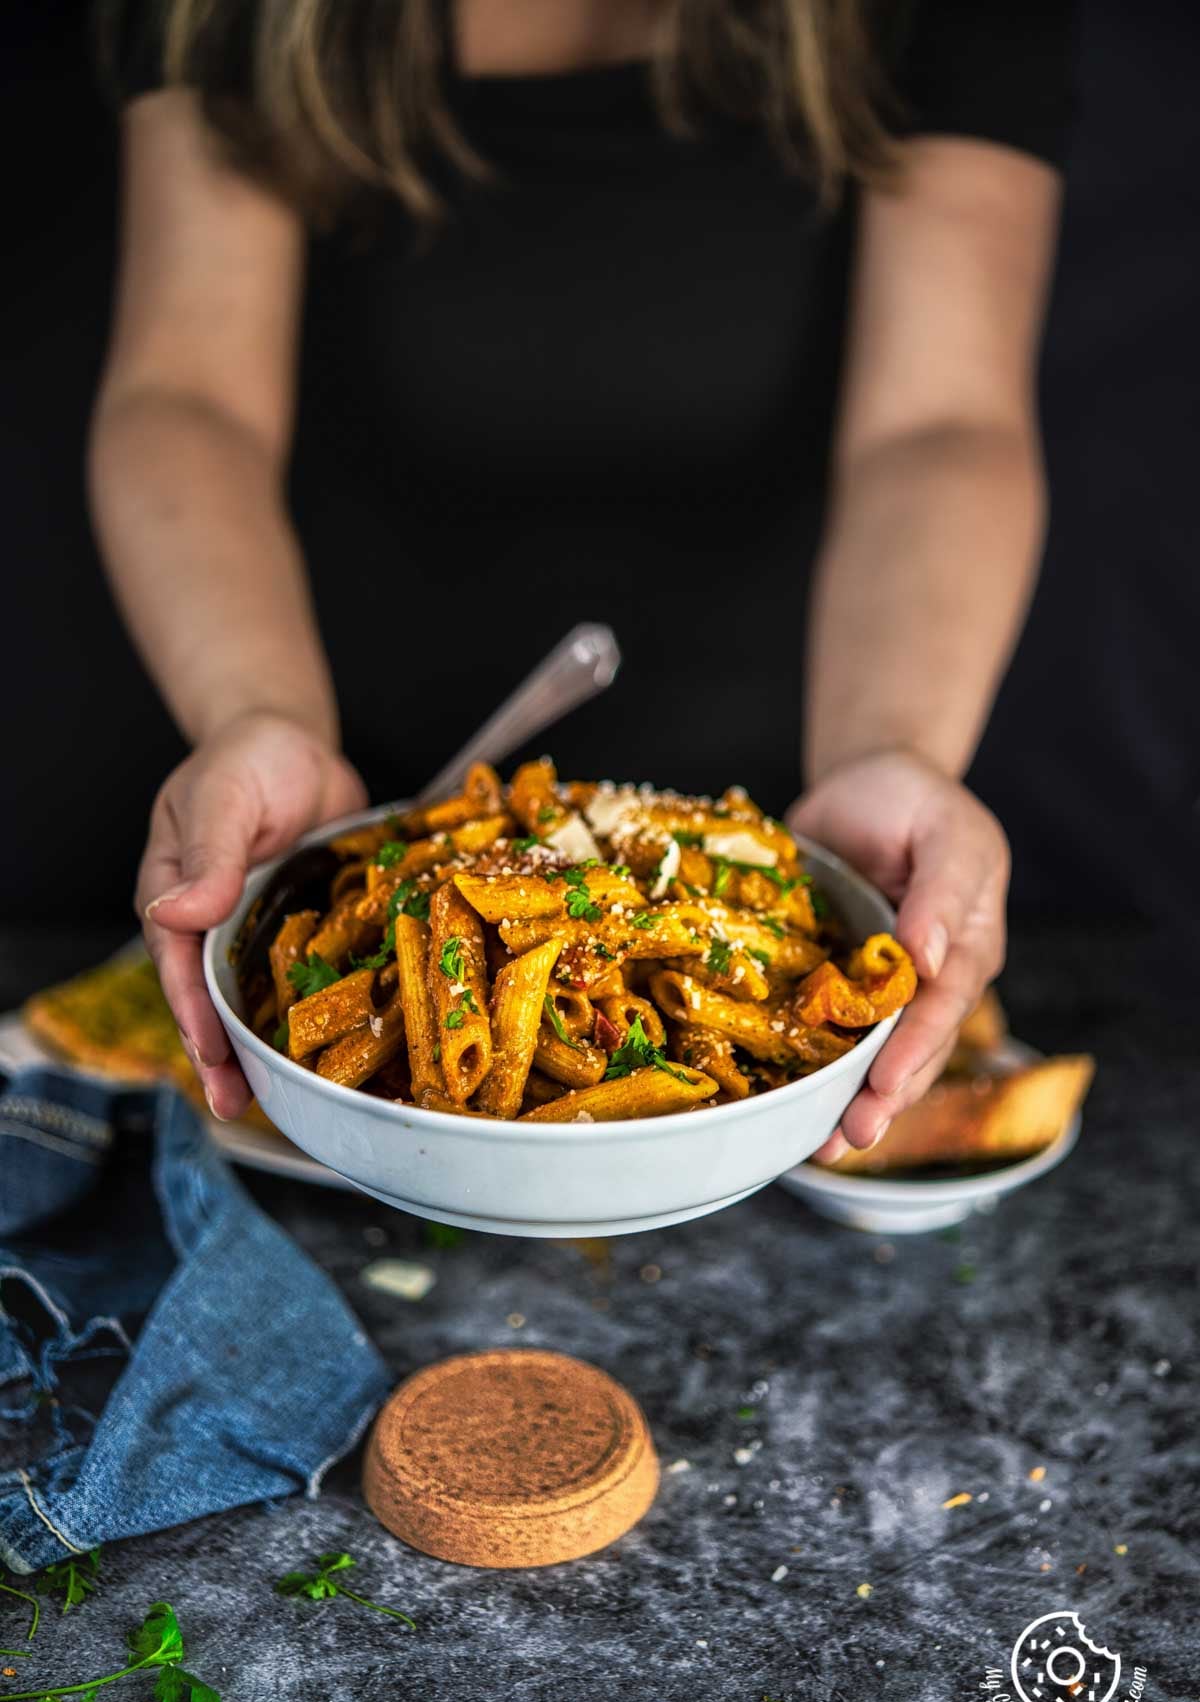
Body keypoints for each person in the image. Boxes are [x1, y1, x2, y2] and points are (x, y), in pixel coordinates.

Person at [90, 0, 1071, 1158]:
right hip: (339, 789)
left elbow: (939, 424)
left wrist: (893, 744)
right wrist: (257, 710)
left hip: (782, 805)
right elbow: (188, 397)